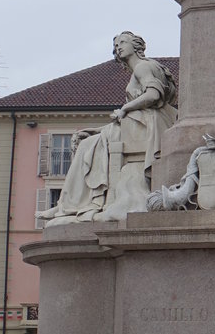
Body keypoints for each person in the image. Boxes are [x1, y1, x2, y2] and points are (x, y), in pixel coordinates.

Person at [39, 32, 177, 225]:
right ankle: (67, 203)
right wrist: (98, 129)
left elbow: (153, 95)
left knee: (87, 146)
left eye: (122, 42)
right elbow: (128, 117)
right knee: (89, 140)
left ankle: (72, 204)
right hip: (141, 123)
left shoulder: (142, 66)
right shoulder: (146, 67)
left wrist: (125, 108)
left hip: (145, 124)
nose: (118, 47)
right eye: (116, 44)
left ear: (136, 45)